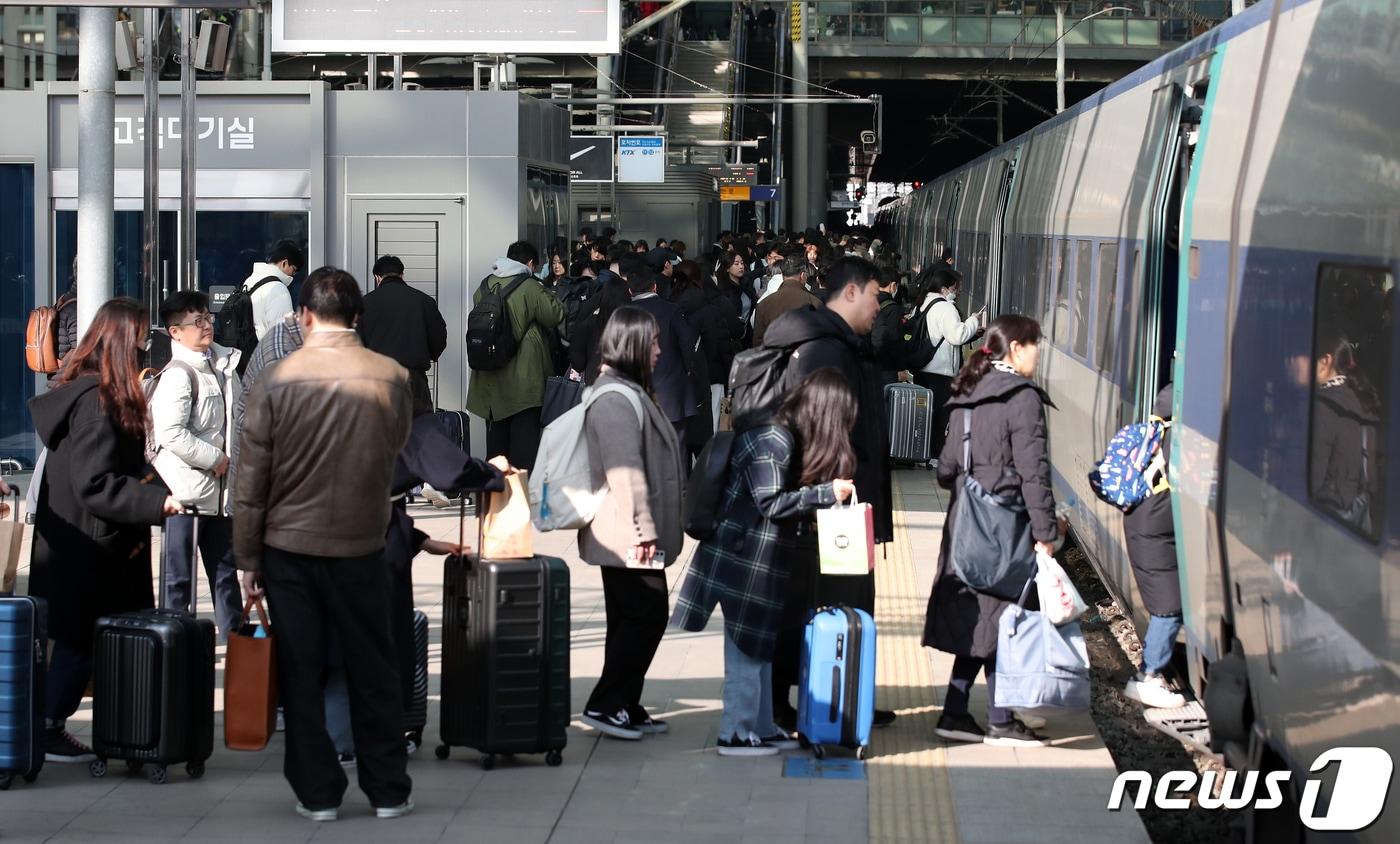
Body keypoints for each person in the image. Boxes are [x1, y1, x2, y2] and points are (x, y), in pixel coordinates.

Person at [235, 269, 415, 822]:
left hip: (289, 548)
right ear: (357, 316)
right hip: (363, 542)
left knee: (302, 670)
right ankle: (387, 789)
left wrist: (246, 558)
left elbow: (251, 482)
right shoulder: (392, 376)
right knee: (374, 665)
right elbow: (397, 448)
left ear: (303, 316)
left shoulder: (273, 380)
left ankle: (318, 793)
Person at [27, 298, 183, 763]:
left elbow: (120, 468)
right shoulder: (98, 402)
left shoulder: (91, 393)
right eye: (139, 337)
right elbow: (96, 482)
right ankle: (52, 726)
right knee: (82, 643)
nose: (145, 346)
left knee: (88, 641)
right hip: (94, 549)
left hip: (94, 546)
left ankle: (106, 730)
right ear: (119, 343)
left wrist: (159, 492)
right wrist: (158, 501)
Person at [672, 368, 857, 756]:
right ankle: (734, 733)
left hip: (752, 552)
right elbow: (769, 501)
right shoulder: (774, 437)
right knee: (745, 645)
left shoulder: (777, 431)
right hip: (744, 555)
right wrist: (825, 493)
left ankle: (760, 726)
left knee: (758, 645)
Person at [761, 256, 895, 729]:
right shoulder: (826, 351)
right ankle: (802, 700)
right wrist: (831, 490)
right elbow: (818, 428)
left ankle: (847, 690)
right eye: (877, 294)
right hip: (828, 502)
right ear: (853, 292)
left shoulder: (837, 345)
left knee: (839, 599)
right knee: (820, 601)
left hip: (837, 498)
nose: (881, 305)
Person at [923, 314, 1061, 748]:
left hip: (965, 526)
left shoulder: (967, 393)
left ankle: (958, 712)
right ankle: (996, 720)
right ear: (1017, 348)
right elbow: (1033, 473)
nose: (1040, 352)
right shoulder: (1021, 399)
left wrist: (974, 479)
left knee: (985, 621)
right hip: (1004, 529)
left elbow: (946, 469)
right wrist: (1046, 531)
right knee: (1001, 620)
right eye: (1036, 344)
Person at [578, 306, 686, 740]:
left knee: (628, 617)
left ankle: (624, 702)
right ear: (634, 344)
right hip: (625, 533)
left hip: (626, 532)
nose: (660, 350)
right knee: (647, 614)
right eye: (654, 342)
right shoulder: (614, 399)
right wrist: (644, 532)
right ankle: (605, 704)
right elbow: (625, 472)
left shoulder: (627, 390)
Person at [149, 291, 244, 640]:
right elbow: (170, 433)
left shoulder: (224, 363)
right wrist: (215, 458)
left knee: (225, 573)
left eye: (208, 317)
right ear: (175, 333)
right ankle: (175, 647)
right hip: (185, 494)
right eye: (197, 321)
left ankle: (236, 644)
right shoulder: (178, 374)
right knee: (179, 579)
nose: (207, 325)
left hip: (220, 493)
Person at [465, 241, 566, 472]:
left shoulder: (485, 285)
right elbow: (555, 314)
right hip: (524, 383)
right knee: (523, 454)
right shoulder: (529, 286)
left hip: (489, 379)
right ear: (530, 263)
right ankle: (521, 502)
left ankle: (495, 502)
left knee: (497, 452)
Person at [1122, 384, 1187, 709]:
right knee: (1168, 608)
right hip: (1153, 533)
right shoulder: (1176, 441)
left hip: (1148, 529)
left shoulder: (1156, 432)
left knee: (1169, 604)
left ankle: (1151, 673)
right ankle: (1146, 677)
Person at [357, 255, 449, 417]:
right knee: (419, 433)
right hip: (414, 379)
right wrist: (431, 354)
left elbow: (356, 343)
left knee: (382, 435)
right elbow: (439, 338)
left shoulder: (365, 304)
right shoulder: (424, 301)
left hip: (378, 380)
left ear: (377, 278)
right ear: (402, 274)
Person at [624, 257, 700, 443]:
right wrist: (688, 368)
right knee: (676, 451)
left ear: (630, 290)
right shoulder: (671, 310)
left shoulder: (624, 314)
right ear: (655, 287)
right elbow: (687, 340)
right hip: (672, 393)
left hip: (637, 395)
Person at [915, 267, 984, 460]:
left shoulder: (925, 302)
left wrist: (971, 331)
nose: (958, 291)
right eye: (955, 287)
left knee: (928, 414)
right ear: (944, 288)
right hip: (941, 370)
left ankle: (924, 452)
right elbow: (956, 335)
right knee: (940, 415)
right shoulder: (945, 307)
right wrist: (973, 321)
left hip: (925, 366)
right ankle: (935, 455)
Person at [569, 273, 633, 383]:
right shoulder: (634, 325)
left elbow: (577, 364)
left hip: (595, 384)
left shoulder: (589, 324)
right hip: (626, 386)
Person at [753, 253, 822, 347]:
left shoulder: (764, 304)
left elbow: (758, 342)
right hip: (803, 357)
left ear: (782, 275)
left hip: (773, 357)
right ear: (803, 275)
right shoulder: (814, 302)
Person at [242, 240, 304, 342]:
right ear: (284, 263)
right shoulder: (278, 289)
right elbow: (282, 337)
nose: (292, 276)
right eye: (293, 271)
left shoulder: (250, 281)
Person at [870, 266, 908, 383]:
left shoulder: (866, 302)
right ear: (892, 285)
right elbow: (896, 342)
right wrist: (900, 369)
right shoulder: (893, 309)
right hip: (886, 368)